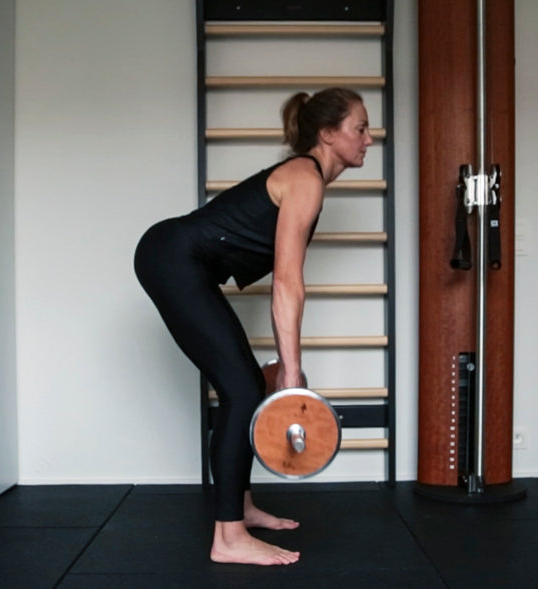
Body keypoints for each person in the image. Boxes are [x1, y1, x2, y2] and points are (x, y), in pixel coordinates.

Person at [134, 88, 373, 566]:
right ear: (328, 134)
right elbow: (287, 281)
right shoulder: (305, 179)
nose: (369, 139)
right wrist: (291, 369)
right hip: (172, 258)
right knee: (245, 390)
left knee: (242, 387)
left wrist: (286, 368)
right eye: (360, 128)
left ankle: (239, 508)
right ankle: (228, 538)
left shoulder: (306, 179)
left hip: (179, 262)